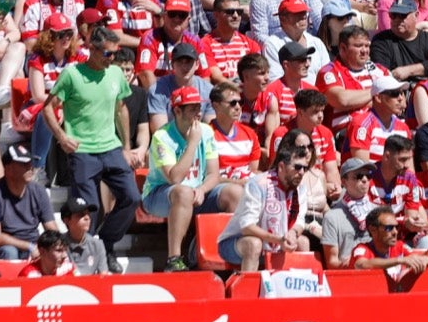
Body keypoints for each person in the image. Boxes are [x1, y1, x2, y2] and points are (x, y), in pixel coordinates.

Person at [40, 27, 136, 272]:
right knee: (88, 209)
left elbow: (121, 108)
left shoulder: (115, 73)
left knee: (133, 197)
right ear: (91, 49)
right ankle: (87, 259)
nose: (111, 58)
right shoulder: (72, 74)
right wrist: (62, 137)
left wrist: (126, 146)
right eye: (106, 53)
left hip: (111, 147)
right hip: (83, 150)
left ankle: (105, 244)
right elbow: (48, 108)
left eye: (115, 54)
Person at [142, 85, 243, 272]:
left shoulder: (206, 131)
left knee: (234, 193)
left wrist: (203, 190)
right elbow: (175, 178)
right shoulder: (162, 137)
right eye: (192, 109)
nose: (198, 113)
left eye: (199, 107)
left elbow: (213, 174)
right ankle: (174, 259)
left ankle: (228, 251)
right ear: (177, 111)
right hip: (160, 194)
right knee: (183, 192)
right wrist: (192, 143)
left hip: (197, 191)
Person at [218, 135, 314, 272]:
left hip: (276, 241)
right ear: (281, 167)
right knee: (254, 244)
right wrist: (277, 239)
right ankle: (248, 290)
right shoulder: (257, 184)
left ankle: (297, 289)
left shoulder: (300, 189)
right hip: (236, 242)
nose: (302, 173)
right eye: (297, 167)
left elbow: (299, 221)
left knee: (303, 242)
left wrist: (292, 234)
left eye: (305, 168)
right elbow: (247, 227)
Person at [0, 143, 56, 260]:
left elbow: (52, 228)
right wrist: (29, 246)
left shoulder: (38, 191)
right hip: (6, 247)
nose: (30, 167)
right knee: (9, 252)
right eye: (23, 163)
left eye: (30, 163)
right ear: (7, 168)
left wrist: (53, 247)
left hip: (34, 245)